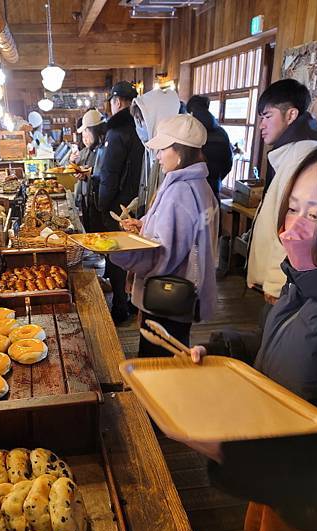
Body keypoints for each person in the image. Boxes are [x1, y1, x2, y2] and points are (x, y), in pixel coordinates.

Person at [189, 140, 317, 531]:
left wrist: (228, 451)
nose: (293, 227)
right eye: (292, 207)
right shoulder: (304, 281)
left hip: (311, 507)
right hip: (275, 478)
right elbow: (280, 348)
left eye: (314, 215)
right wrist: (225, 350)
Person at [111, 114, 219, 356]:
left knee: (156, 363)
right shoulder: (202, 186)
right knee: (175, 355)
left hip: (166, 294)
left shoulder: (179, 191)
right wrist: (143, 225)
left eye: (162, 149)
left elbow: (164, 255)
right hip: (186, 293)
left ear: (180, 151)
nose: (158, 156)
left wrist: (118, 251)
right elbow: (184, 237)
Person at [247, 78, 317, 303]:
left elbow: (293, 227)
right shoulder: (296, 150)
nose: (261, 125)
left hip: (287, 283)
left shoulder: (302, 156)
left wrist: (273, 282)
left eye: (267, 116)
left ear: (291, 115)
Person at [98, 81, 144, 324]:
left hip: (119, 206)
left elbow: (110, 174)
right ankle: (134, 301)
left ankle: (119, 307)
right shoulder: (142, 126)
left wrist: (102, 204)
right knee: (136, 255)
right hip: (140, 202)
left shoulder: (117, 131)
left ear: (116, 102)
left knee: (117, 257)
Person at [130, 88, 180, 217]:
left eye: (142, 121)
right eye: (137, 121)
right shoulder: (149, 150)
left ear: (156, 119)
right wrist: (139, 203)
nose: (139, 127)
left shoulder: (173, 157)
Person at [186, 94, 233, 201]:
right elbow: (228, 164)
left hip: (191, 193)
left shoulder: (189, 132)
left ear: (191, 112)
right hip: (213, 193)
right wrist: (216, 178)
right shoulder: (222, 133)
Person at [72, 109, 107, 232]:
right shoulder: (93, 149)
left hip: (100, 205)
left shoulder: (105, 149)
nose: (84, 136)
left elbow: (106, 175)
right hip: (90, 201)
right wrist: (85, 176)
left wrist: (89, 173)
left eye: (86, 131)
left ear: (94, 130)